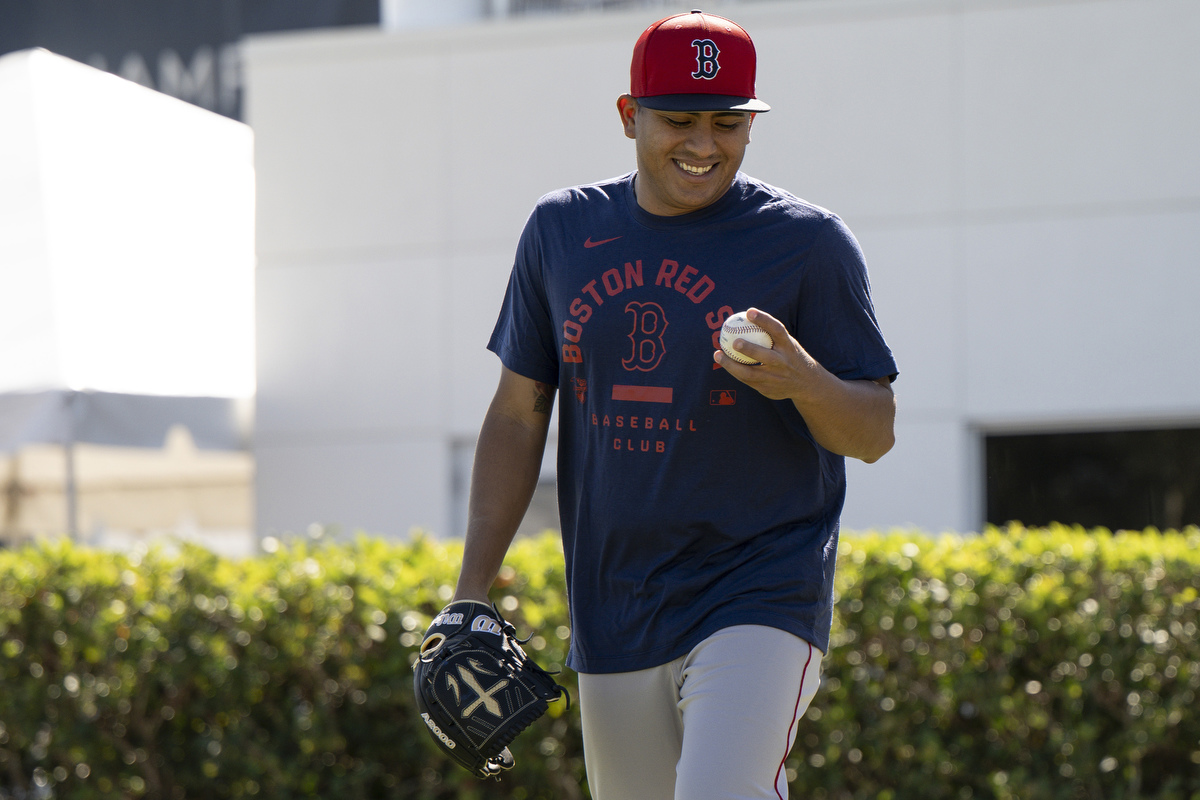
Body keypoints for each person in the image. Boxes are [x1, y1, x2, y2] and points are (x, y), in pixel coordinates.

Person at [451, 9, 898, 800]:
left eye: (727, 122)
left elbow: (874, 432)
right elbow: (518, 415)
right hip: (615, 607)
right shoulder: (561, 230)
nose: (704, 144)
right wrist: (470, 593)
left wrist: (804, 381)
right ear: (630, 116)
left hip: (759, 591)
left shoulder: (809, 244)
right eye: (679, 120)